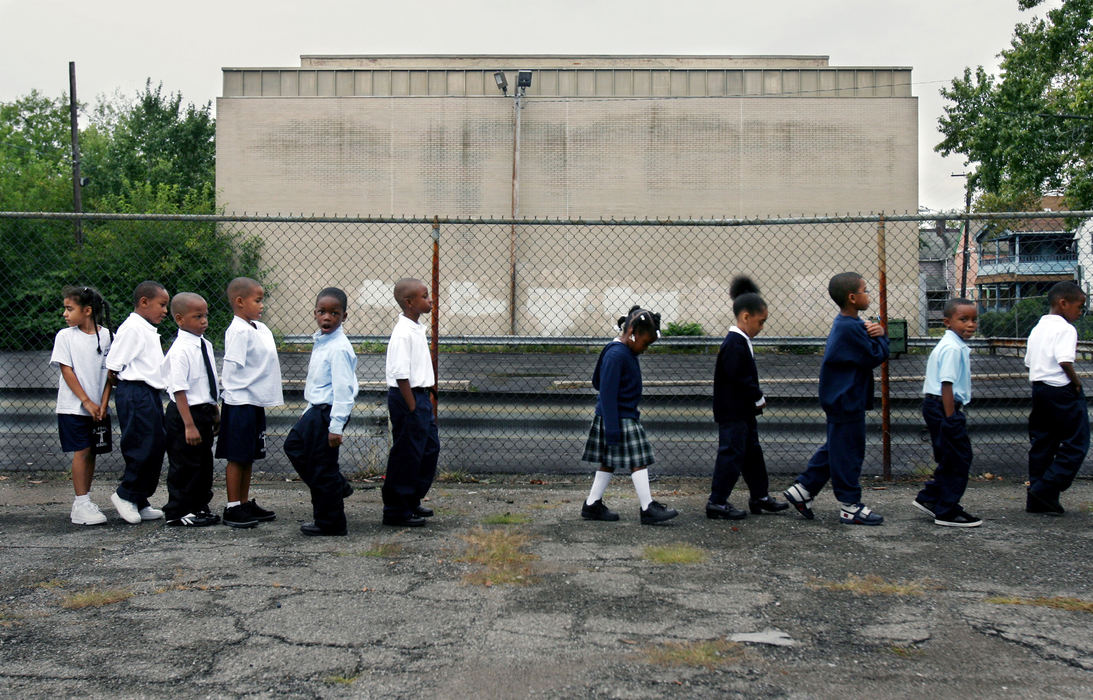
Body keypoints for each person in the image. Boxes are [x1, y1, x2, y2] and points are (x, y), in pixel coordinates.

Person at [784, 272, 889, 525]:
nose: (869, 294)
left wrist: (875, 333)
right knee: (849, 453)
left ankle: (803, 489)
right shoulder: (851, 328)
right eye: (865, 290)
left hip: (843, 399)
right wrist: (883, 336)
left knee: (837, 448)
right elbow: (874, 356)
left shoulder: (847, 324)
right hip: (846, 400)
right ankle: (849, 506)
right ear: (852, 298)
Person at [581, 306, 678, 525]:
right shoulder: (617, 355)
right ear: (632, 331)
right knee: (639, 460)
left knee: (608, 462)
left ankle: (592, 504)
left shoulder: (620, 351)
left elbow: (597, 381)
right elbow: (605, 392)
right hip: (619, 417)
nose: (645, 348)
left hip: (619, 415)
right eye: (645, 343)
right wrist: (613, 427)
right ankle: (648, 508)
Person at [707, 277, 788, 520]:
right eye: (760, 322)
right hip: (734, 412)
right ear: (745, 317)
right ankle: (717, 501)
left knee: (752, 452)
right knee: (731, 454)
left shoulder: (741, 342)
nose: (762, 327)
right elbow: (740, 378)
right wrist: (757, 397)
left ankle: (760, 496)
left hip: (742, 411)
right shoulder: (735, 344)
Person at [285, 287, 359, 536]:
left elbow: (344, 390)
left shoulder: (339, 348)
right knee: (294, 446)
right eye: (322, 312)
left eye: (334, 313)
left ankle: (331, 522)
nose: (327, 317)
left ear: (344, 316)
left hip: (329, 412)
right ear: (315, 313)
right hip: (315, 410)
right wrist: (307, 412)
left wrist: (336, 426)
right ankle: (337, 485)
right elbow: (319, 384)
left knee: (323, 466)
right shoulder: (322, 341)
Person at [216, 277, 283, 528]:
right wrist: (232, 402)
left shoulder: (258, 328)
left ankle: (244, 503)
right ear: (240, 302)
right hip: (240, 402)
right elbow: (233, 370)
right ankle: (233, 506)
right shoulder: (238, 331)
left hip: (254, 402)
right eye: (258, 300)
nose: (262, 305)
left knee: (249, 455)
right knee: (237, 456)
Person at [912, 298, 982, 527]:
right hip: (944, 407)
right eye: (963, 319)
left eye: (974, 319)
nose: (970, 324)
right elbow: (947, 385)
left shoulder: (953, 344)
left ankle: (931, 498)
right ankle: (946, 511)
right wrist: (951, 418)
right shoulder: (952, 348)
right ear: (947, 322)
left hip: (938, 406)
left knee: (951, 456)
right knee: (959, 459)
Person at [105, 280, 170, 524]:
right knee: (141, 444)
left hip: (150, 393)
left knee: (155, 444)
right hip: (135, 392)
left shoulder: (146, 328)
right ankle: (125, 494)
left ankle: (140, 498)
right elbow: (114, 366)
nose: (165, 311)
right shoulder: (132, 328)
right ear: (144, 302)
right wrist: (127, 391)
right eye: (161, 305)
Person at [1024, 280, 1089, 515]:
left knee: (1043, 442)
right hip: (1061, 390)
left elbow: (1029, 362)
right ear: (1063, 303)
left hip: (1040, 389)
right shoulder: (1066, 329)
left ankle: (1037, 499)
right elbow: (1064, 360)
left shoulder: (1038, 327)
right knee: (1077, 441)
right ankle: (1046, 487)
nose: (1080, 312)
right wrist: (1077, 382)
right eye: (1079, 306)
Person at [51, 285, 113, 525]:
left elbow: (111, 374)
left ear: (87, 310)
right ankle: (80, 503)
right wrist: (86, 402)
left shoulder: (107, 336)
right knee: (82, 451)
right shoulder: (65, 336)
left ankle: (85, 501)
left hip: (98, 409)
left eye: (69, 309)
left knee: (92, 452)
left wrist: (103, 403)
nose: (65, 314)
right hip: (73, 407)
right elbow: (67, 371)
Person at [382, 278, 439, 527]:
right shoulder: (402, 333)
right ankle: (396, 509)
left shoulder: (415, 328)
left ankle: (411, 499)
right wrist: (412, 405)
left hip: (420, 396)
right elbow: (400, 373)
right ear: (409, 303)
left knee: (428, 449)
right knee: (406, 454)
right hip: (408, 397)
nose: (430, 300)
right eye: (425, 296)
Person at [161, 293, 221, 527]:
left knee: (203, 462)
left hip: (204, 410)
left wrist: (214, 411)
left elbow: (207, 381)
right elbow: (179, 389)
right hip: (185, 414)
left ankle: (198, 505)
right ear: (180, 319)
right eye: (198, 316)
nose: (204, 320)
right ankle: (178, 510)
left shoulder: (204, 344)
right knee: (184, 464)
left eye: (205, 315)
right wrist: (188, 424)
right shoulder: (180, 350)